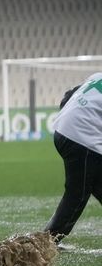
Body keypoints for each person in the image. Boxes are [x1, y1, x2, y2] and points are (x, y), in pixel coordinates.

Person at [45, 72, 102, 244]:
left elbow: (68, 97)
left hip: (62, 131)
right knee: (77, 193)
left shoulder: (97, 76)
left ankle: (48, 240)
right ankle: (47, 241)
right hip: (83, 138)